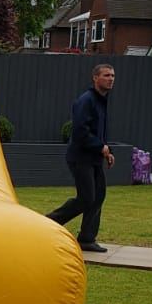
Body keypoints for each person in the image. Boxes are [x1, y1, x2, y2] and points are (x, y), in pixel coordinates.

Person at [48, 63, 116, 253]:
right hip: (80, 157)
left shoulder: (102, 101)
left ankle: (87, 239)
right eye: (106, 75)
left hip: (94, 158)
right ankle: (48, 223)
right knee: (86, 198)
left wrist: (107, 152)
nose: (111, 79)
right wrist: (99, 146)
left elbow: (99, 132)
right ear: (95, 78)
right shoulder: (86, 100)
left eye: (112, 75)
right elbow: (80, 132)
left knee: (98, 196)